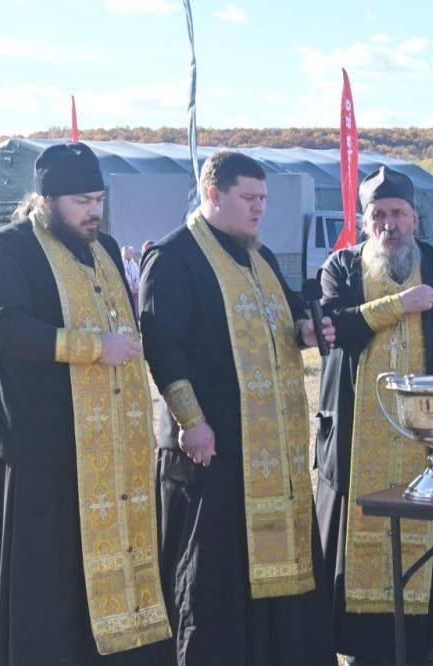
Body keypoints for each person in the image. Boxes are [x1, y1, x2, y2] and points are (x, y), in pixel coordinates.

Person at [138, 151, 336, 665]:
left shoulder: (261, 257)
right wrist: (191, 421)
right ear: (213, 195)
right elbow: (163, 346)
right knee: (216, 579)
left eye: (264, 199)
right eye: (248, 199)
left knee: (277, 574)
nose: (258, 210)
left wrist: (306, 330)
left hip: (271, 451)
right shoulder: (173, 257)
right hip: (211, 448)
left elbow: (286, 318)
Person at [0, 142, 170, 665]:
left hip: (112, 446)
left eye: (99, 198)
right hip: (48, 446)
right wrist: (92, 349)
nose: (94, 211)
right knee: (52, 581)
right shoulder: (10, 247)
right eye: (82, 200)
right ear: (47, 199)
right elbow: (4, 326)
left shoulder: (104, 246)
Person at [314, 166, 433, 665]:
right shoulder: (341, 267)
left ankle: (426, 642)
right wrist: (399, 304)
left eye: (398, 214)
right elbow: (334, 330)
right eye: (379, 215)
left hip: (429, 436)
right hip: (356, 434)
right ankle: (360, 645)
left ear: (415, 218)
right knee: (355, 531)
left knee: (429, 529)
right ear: (365, 220)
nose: (390, 224)